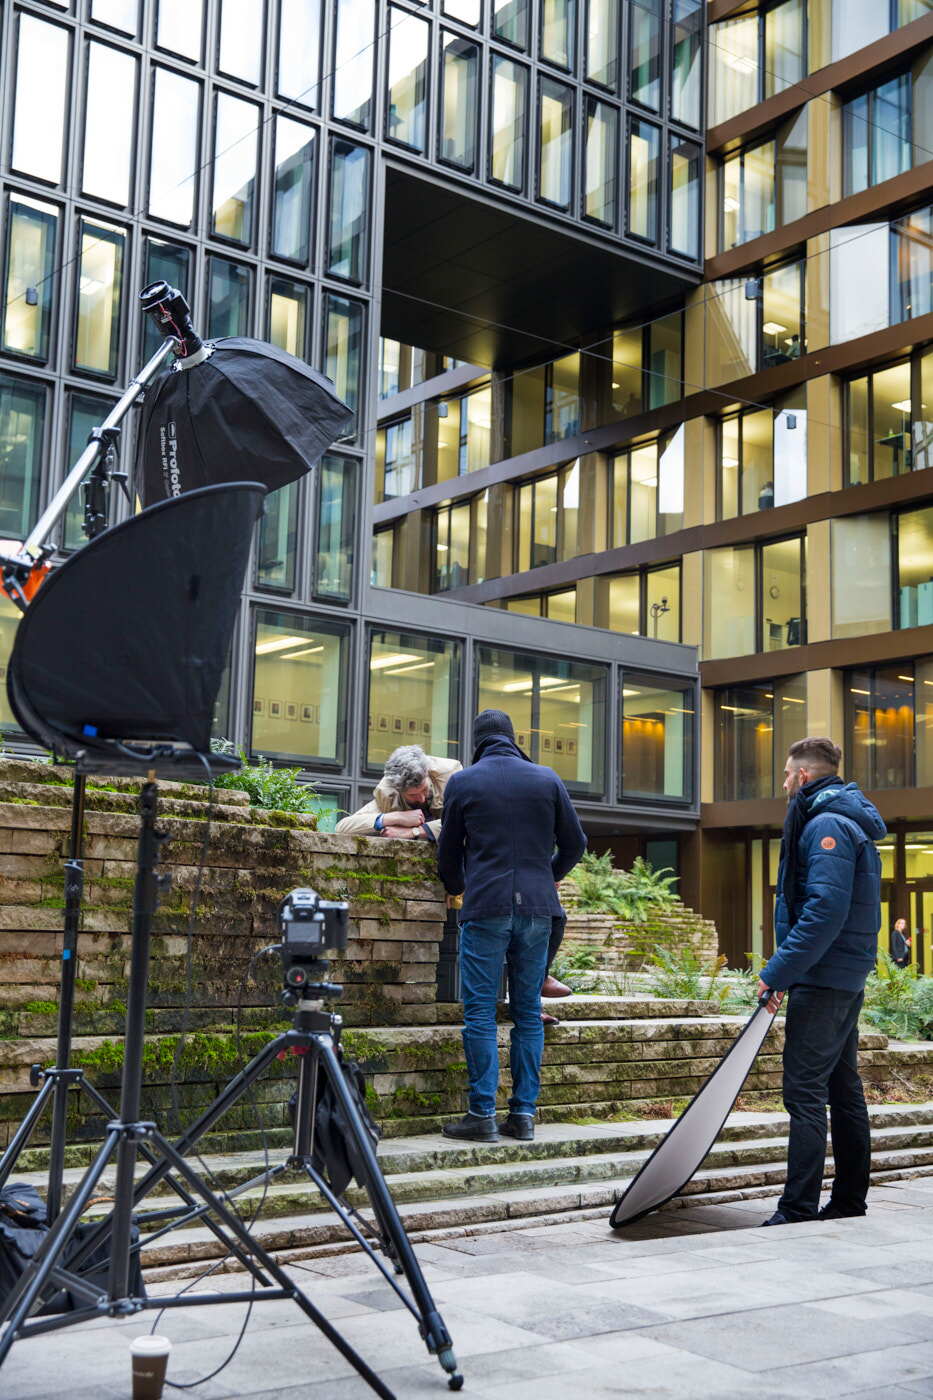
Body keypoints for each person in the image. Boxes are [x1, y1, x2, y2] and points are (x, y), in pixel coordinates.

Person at [437, 709, 586, 1144]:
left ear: (478, 742)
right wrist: (548, 875)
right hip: (539, 910)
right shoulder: (547, 778)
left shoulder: (464, 782)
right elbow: (576, 843)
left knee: (480, 1012)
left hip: (486, 906)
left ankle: (481, 1115)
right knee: (527, 1015)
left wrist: (460, 885)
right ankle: (523, 1116)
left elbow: (448, 853)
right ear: (512, 738)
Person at [758, 736, 885, 1226]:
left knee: (804, 1093)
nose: (785, 784)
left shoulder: (827, 824)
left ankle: (797, 1208)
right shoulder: (841, 820)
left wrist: (777, 973)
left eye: (788, 776)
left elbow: (823, 912)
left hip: (824, 976)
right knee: (842, 1087)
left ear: (804, 777)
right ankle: (849, 1201)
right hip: (842, 974)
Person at [335, 745, 460, 841]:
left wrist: (413, 832)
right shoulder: (388, 794)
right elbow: (343, 828)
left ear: (428, 774)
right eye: (413, 795)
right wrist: (396, 817)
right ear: (398, 790)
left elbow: (464, 820)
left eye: (424, 789)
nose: (421, 798)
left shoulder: (451, 778)